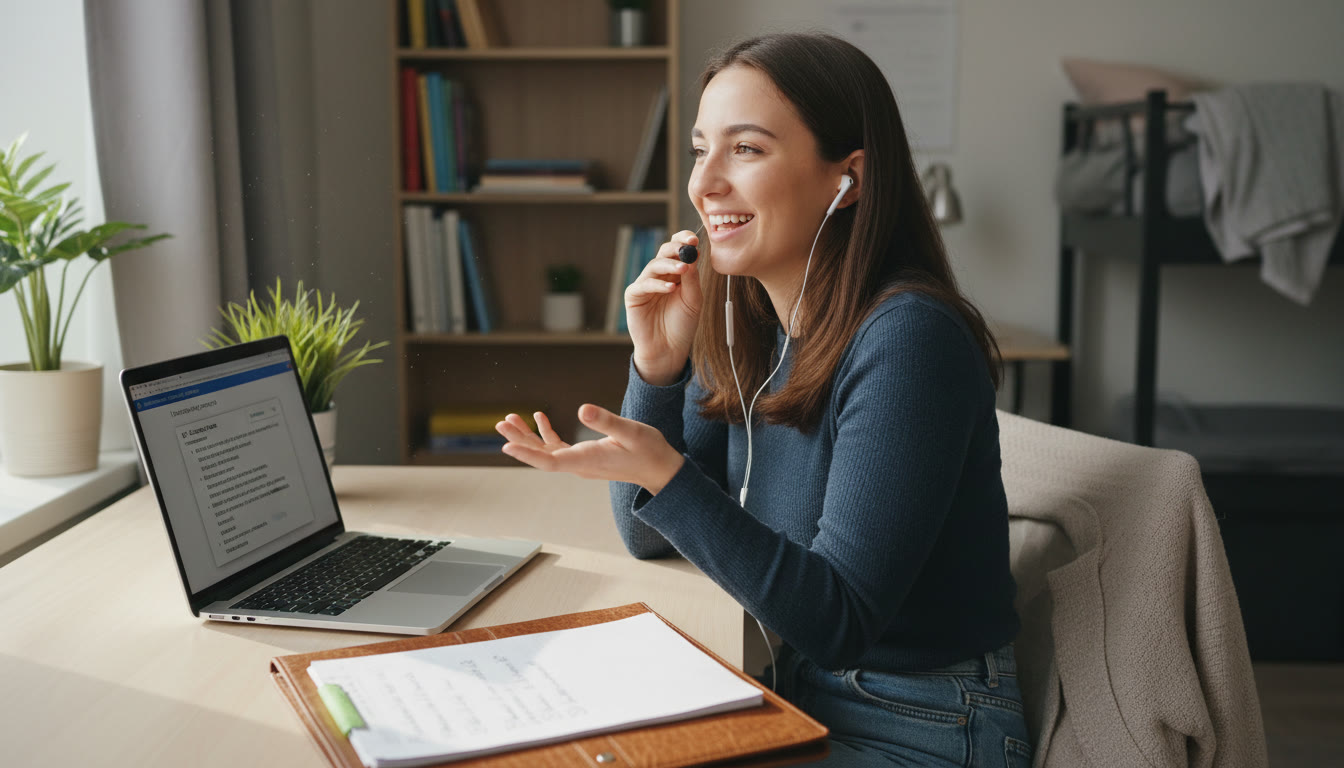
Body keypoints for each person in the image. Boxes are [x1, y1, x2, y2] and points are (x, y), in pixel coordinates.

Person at [495, 32, 1030, 767]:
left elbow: (839, 620)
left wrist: (666, 474)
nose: (705, 183)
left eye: (745, 150)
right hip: (797, 683)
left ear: (849, 179)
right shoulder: (754, 328)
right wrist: (657, 370)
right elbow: (649, 534)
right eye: (700, 148)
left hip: (921, 718)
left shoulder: (910, 342)